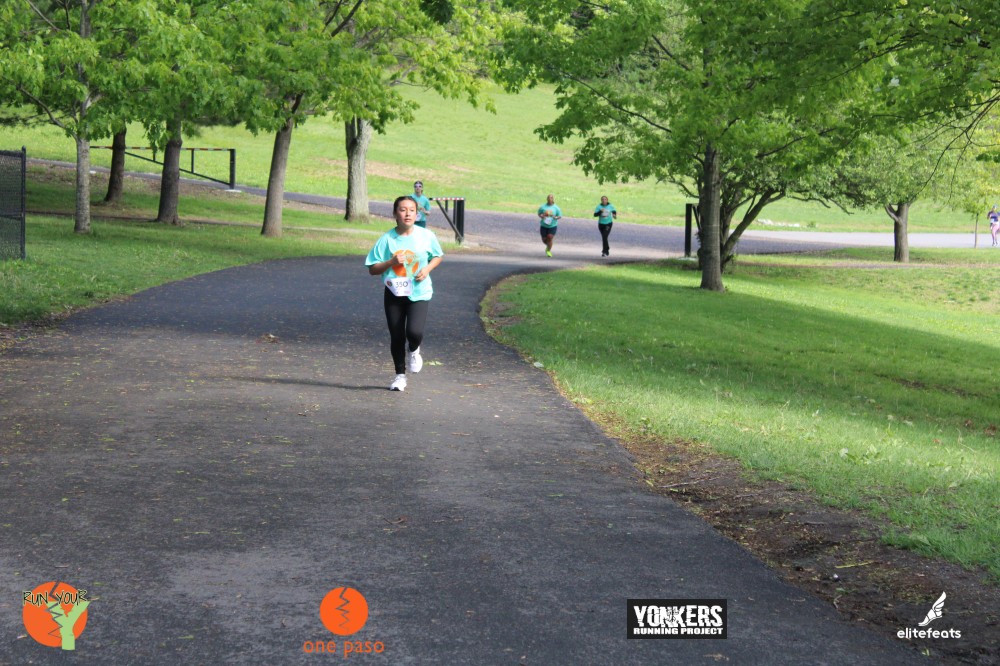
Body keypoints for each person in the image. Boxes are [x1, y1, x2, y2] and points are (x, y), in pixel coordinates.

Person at [365, 196, 444, 391]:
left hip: (419, 292)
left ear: (417, 214)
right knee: (397, 335)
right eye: (402, 210)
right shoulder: (387, 239)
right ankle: (400, 376)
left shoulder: (426, 236)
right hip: (394, 293)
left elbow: (437, 256)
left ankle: (414, 349)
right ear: (395, 213)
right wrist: (390, 262)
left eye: (411, 210)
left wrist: (427, 269)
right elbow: (372, 269)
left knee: (414, 332)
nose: (407, 214)